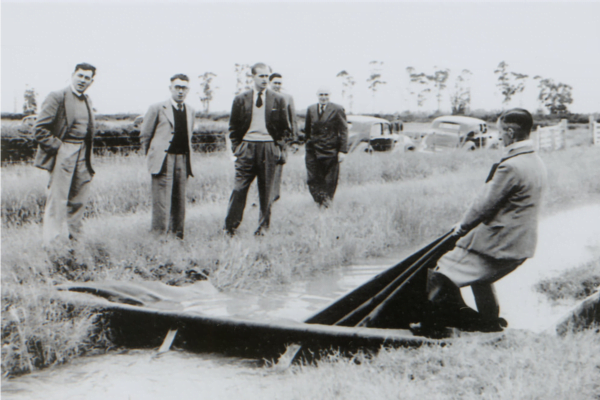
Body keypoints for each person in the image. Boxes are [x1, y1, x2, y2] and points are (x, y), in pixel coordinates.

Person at [420, 108, 547, 334]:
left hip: (498, 243)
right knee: (481, 277)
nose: (499, 137)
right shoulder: (535, 161)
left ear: (510, 132)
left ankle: (436, 328)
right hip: (520, 243)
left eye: (500, 132)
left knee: (443, 271)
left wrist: (462, 227)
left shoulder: (511, 165)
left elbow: (485, 203)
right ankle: (489, 322)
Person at [34, 63, 97, 248]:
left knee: (79, 200)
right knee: (58, 200)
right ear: (72, 75)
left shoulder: (87, 100)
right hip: (64, 151)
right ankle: (51, 246)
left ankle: (76, 245)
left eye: (87, 78)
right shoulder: (57, 97)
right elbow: (39, 129)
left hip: (83, 154)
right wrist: (60, 148)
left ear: (91, 81)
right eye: (80, 75)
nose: (83, 80)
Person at [224, 63, 291, 236]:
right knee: (239, 189)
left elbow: (285, 128)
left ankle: (262, 229)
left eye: (267, 76)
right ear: (252, 77)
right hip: (246, 148)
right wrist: (237, 148)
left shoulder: (278, 99)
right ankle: (230, 227)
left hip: (268, 148)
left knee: (266, 191)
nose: (264, 80)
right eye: (261, 76)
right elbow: (233, 127)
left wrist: (277, 148)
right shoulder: (241, 99)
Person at [140, 74, 195, 239]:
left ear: (188, 90)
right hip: (163, 160)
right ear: (170, 88)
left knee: (179, 199)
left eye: (184, 88)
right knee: (161, 201)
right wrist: (153, 157)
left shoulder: (190, 110)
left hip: (183, 159)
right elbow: (145, 135)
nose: (180, 91)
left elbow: (189, 134)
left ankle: (177, 235)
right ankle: (158, 237)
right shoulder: (157, 108)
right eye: (177, 87)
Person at [304, 87, 349, 207]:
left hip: (330, 150)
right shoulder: (311, 109)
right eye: (321, 95)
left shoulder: (337, 109)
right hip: (313, 150)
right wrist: (307, 143)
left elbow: (343, 130)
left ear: (330, 95)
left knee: (329, 180)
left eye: (326, 95)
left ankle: (326, 204)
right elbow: (307, 130)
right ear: (317, 95)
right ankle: (318, 200)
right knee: (312, 178)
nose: (323, 97)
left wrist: (342, 151)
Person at [268, 72, 298, 203]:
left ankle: (274, 196)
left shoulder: (287, 98)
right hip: (264, 139)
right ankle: (261, 197)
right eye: (275, 83)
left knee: (278, 167)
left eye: (279, 83)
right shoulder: (263, 97)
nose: (277, 86)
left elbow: (293, 120)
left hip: (281, 140)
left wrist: (294, 141)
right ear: (270, 83)